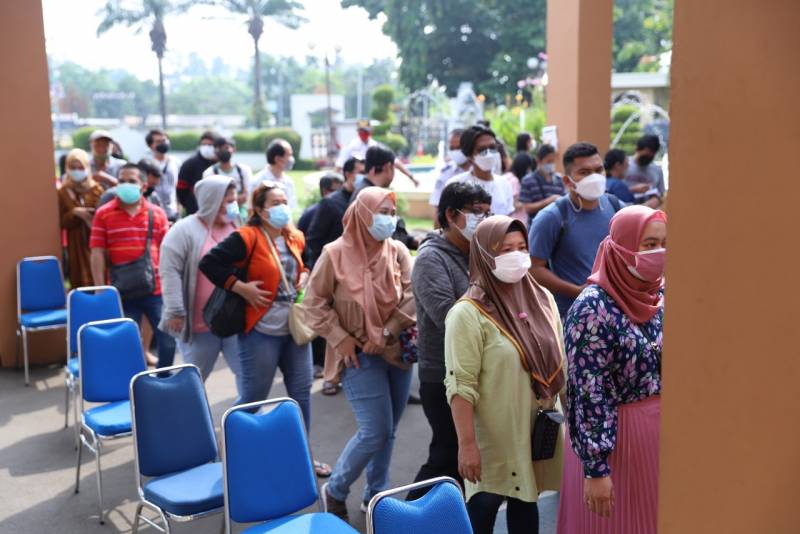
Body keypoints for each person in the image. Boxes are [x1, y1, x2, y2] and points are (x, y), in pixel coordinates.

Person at [198, 181, 331, 478]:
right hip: (261, 330)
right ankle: (227, 451)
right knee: (254, 396)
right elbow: (209, 263)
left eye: (284, 201)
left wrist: (305, 275)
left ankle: (302, 457)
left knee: (301, 395)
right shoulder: (247, 237)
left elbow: (306, 262)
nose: (283, 207)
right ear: (259, 210)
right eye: (275, 203)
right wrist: (240, 287)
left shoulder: (294, 236)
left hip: (295, 329)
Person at [445, 215, 565, 534]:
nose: (516, 256)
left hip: (536, 426)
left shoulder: (542, 300)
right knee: (484, 506)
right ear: (485, 255)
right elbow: (460, 385)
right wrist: (467, 445)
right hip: (494, 434)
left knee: (527, 500)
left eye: (521, 247)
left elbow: (562, 364)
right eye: (504, 249)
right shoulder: (467, 314)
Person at [304, 187, 416, 522]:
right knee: (375, 430)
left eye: (392, 212)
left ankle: (375, 493)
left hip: (395, 350)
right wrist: (341, 339)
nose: (389, 219)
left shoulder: (397, 250)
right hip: (356, 354)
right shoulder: (335, 254)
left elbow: (412, 295)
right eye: (382, 212)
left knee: (388, 429)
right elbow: (313, 304)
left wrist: (387, 331)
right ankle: (336, 489)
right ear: (362, 214)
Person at [557, 206, 666, 534]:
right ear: (621, 246)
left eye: (664, 243)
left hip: (658, 438)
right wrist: (596, 468)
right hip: (617, 443)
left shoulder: (659, 295)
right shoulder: (592, 308)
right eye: (649, 244)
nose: (659, 252)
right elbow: (588, 393)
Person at [407, 182, 492, 501]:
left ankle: (449, 518)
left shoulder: (479, 253)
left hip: (477, 368)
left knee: (463, 462)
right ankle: (403, 518)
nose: (483, 220)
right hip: (442, 372)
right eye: (476, 212)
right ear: (451, 215)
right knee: (446, 455)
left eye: (487, 213)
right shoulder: (431, 259)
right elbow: (448, 315)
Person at [89, 162, 176, 367]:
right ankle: (133, 381)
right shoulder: (104, 213)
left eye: (131, 181)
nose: (125, 184)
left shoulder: (157, 213)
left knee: (168, 342)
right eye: (121, 180)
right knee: (126, 344)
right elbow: (97, 252)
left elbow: (167, 252)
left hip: (155, 290)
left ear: (143, 186)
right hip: (122, 291)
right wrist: (100, 289)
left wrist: (171, 285)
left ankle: (163, 379)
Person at [158, 176, 242, 385]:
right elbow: (169, 272)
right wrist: (175, 310)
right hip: (198, 326)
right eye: (228, 201)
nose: (234, 206)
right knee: (194, 380)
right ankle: (185, 408)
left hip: (233, 321)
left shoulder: (237, 225)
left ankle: (249, 407)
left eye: (235, 200)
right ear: (212, 201)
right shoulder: (183, 231)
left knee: (247, 375)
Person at [529, 142, 622, 317]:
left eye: (598, 170)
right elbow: (534, 269)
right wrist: (577, 291)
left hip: (615, 314)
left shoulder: (616, 206)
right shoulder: (552, 217)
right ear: (567, 181)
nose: (594, 177)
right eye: (584, 172)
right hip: (574, 316)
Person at [354, 145, 418, 250]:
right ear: (388, 167)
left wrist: (410, 241)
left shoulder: (365, 191)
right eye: (384, 212)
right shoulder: (368, 196)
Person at [306, 156, 365, 268]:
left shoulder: (364, 201)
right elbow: (314, 240)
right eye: (361, 173)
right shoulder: (330, 202)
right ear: (348, 174)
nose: (364, 177)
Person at [57, 148, 104, 288]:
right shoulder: (63, 192)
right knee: (79, 280)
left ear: (87, 167)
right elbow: (62, 221)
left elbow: (101, 214)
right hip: (75, 244)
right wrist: (75, 212)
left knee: (99, 276)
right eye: (73, 167)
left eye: (80, 167)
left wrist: (83, 211)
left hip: (96, 239)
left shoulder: (96, 189)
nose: (77, 171)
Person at [445, 125, 515, 217]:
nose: (489, 154)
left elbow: (509, 219)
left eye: (492, 147)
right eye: (482, 150)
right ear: (470, 156)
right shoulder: (457, 185)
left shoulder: (504, 184)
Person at [336, 119, 419, 187]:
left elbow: (394, 161)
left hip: (373, 183)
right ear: (358, 132)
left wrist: (411, 177)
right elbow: (339, 167)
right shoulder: (350, 147)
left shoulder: (375, 146)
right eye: (361, 131)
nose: (363, 134)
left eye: (365, 131)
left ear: (370, 131)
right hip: (354, 184)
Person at [519, 143, 565, 224]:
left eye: (553, 161)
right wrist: (548, 201)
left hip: (557, 226)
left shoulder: (559, 179)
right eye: (548, 161)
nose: (551, 164)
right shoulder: (528, 180)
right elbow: (526, 208)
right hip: (535, 225)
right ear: (539, 160)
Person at [429, 128, 470, 217]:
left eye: (459, 147)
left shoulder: (479, 171)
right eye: (452, 148)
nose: (455, 151)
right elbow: (438, 207)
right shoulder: (445, 172)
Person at [203, 137, 251, 209]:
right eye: (219, 148)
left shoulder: (243, 170)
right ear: (215, 151)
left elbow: (246, 195)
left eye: (226, 147)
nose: (223, 151)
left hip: (241, 210)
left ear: (234, 150)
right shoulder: (209, 173)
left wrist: (224, 201)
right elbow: (211, 199)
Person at [249, 138, 298, 210]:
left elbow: (292, 208)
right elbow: (251, 209)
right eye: (289, 155)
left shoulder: (289, 182)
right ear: (277, 159)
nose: (291, 159)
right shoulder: (257, 182)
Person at [177, 130, 218, 214]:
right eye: (204, 144)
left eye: (210, 145)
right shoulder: (190, 164)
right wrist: (189, 205)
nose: (206, 147)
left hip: (217, 210)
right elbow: (181, 190)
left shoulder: (221, 163)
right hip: (195, 210)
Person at [145, 129, 180, 221]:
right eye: (158, 142)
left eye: (164, 141)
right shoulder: (146, 163)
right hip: (152, 213)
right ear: (150, 145)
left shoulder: (175, 162)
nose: (162, 144)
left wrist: (179, 208)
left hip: (173, 212)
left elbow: (178, 186)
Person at [624, 134, 665, 207]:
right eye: (645, 156)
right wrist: (633, 189)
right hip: (624, 208)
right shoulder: (624, 165)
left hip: (647, 210)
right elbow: (613, 190)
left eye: (651, 156)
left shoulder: (657, 170)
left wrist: (657, 200)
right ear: (637, 149)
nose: (647, 159)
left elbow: (661, 194)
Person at [498, 142, 526, 224]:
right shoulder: (514, 180)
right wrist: (528, 204)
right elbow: (513, 204)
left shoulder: (506, 176)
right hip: (515, 221)